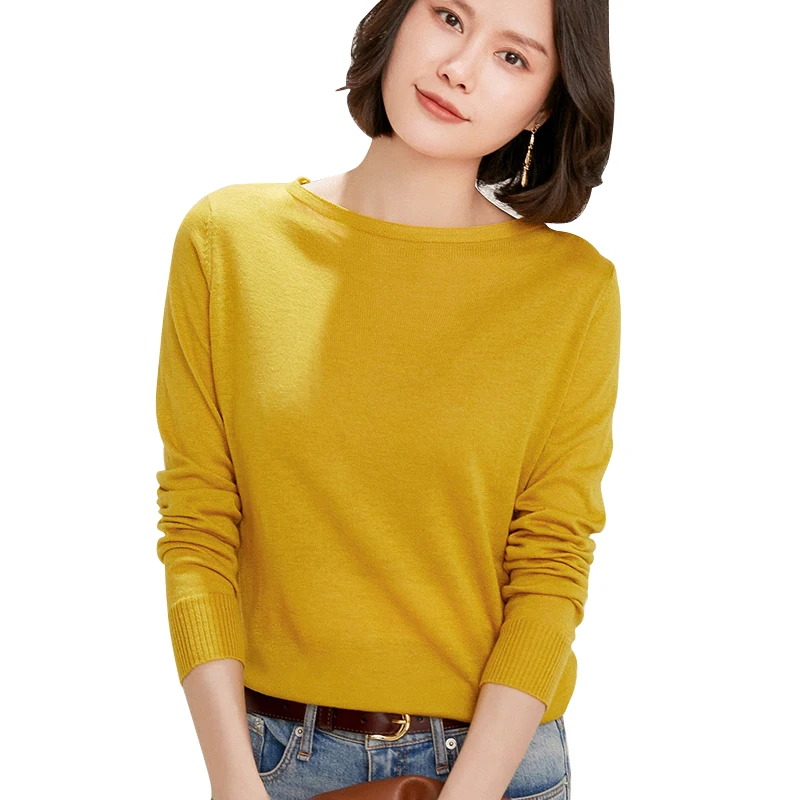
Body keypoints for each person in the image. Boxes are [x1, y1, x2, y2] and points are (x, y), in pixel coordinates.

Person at [153, 1, 619, 800]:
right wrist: (234, 784)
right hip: (272, 761)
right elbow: (198, 524)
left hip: (496, 767)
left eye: (513, 57)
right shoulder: (227, 240)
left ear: (544, 105)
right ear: (399, 18)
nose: (459, 69)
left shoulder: (572, 291)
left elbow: (551, 563)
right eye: (449, 17)